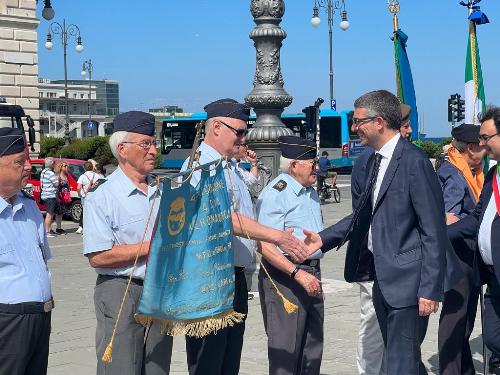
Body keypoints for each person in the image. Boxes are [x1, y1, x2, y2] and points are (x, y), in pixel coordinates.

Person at [304, 90, 448, 375]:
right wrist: (324, 237)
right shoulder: (372, 161)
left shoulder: (414, 162)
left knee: (402, 362)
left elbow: (433, 230)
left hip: (408, 283)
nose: (355, 128)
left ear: (379, 122)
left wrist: (429, 289)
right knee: (395, 360)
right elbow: (363, 216)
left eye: (358, 121)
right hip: (380, 278)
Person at [180, 98, 311, 375]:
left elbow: (248, 221)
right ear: (216, 127)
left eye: (245, 132)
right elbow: (223, 217)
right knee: (208, 363)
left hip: (234, 278)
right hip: (209, 279)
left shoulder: (229, 168)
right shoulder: (199, 167)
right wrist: (277, 236)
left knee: (228, 363)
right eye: (238, 131)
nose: (243, 138)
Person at [83, 111, 173, 375]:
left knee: (157, 368)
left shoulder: (163, 189)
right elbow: (98, 257)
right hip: (122, 290)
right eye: (145, 144)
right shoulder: (103, 196)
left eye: (153, 143)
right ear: (122, 149)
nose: (153, 150)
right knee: (121, 368)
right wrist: (154, 247)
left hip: (160, 290)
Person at [350, 102, 412, 375]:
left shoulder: (408, 158)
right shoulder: (370, 160)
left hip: (393, 264)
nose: (408, 131)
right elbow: (364, 215)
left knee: (390, 333)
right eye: (405, 125)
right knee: (373, 327)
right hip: (374, 261)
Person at [256, 136, 324, 375]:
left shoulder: (310, 192)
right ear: (294, 165)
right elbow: (265, 246)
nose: (317, 167)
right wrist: (296, 274)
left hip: (311, 272)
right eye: (312, 163)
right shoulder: (276, 194)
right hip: (285, 277)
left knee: (311, 350)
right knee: (286, 351)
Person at [447, 107, 500, 375]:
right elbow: (476, 218)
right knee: (492, 339)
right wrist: (439, 235)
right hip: (492, 278)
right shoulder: (493, 176)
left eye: (486, 137)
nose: (481, 144)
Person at [0, 128, 54, 375]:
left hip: (40, 317)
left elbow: (42, 258)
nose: (29, 166)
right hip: (7, 322)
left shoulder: (30, 207)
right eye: (20, 161)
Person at [437, 123, 486, 375]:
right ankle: (451, 369)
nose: (485, 152)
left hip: (466, 255)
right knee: (456, 318)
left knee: (464, 318)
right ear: (469, 148)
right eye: (482, 148)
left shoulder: (465, 170)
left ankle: (463, 368)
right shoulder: (455, 175)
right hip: (458, 256)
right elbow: (449, 218)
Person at [40, 156, 63, 237]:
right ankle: (47, 232)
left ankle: (49, 229)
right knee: (49, 214)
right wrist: (58, 178)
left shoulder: (43, 172)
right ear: (52, 164)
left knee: (53, 213)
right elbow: (56, 184)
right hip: (50, 195)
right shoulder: (50, 173)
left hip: (45, 195)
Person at [76, 161, 99, 234]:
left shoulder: (82, 176)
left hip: (85, 196)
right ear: (92, 167)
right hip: (95, 196)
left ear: (84, 168)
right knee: (94, 212)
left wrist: (79, 194)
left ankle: (84, 229)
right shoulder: (97, 175)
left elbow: (78, 187)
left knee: (85, 213)